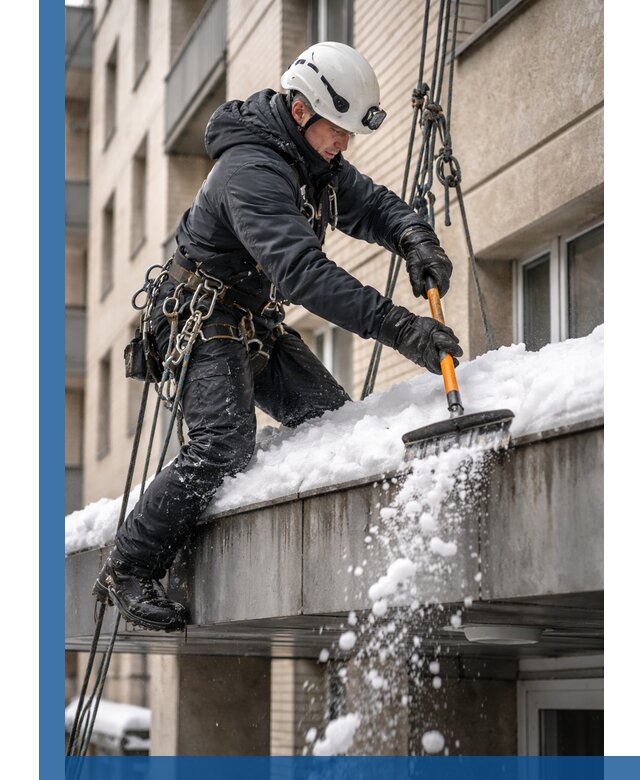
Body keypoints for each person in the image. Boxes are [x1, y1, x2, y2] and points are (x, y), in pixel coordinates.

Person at [93, 42, 462, 632]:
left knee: (333, 422)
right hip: (200, 319)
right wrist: (400, 328)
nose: (344, 144)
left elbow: (374, 208)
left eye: (349, 133)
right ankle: (128, 567)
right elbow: (303, 273)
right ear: (300, 111)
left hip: (253, 322)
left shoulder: (314, 162)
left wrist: (416, 239)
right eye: (337, 130)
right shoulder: (251, 171)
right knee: (223, 444)